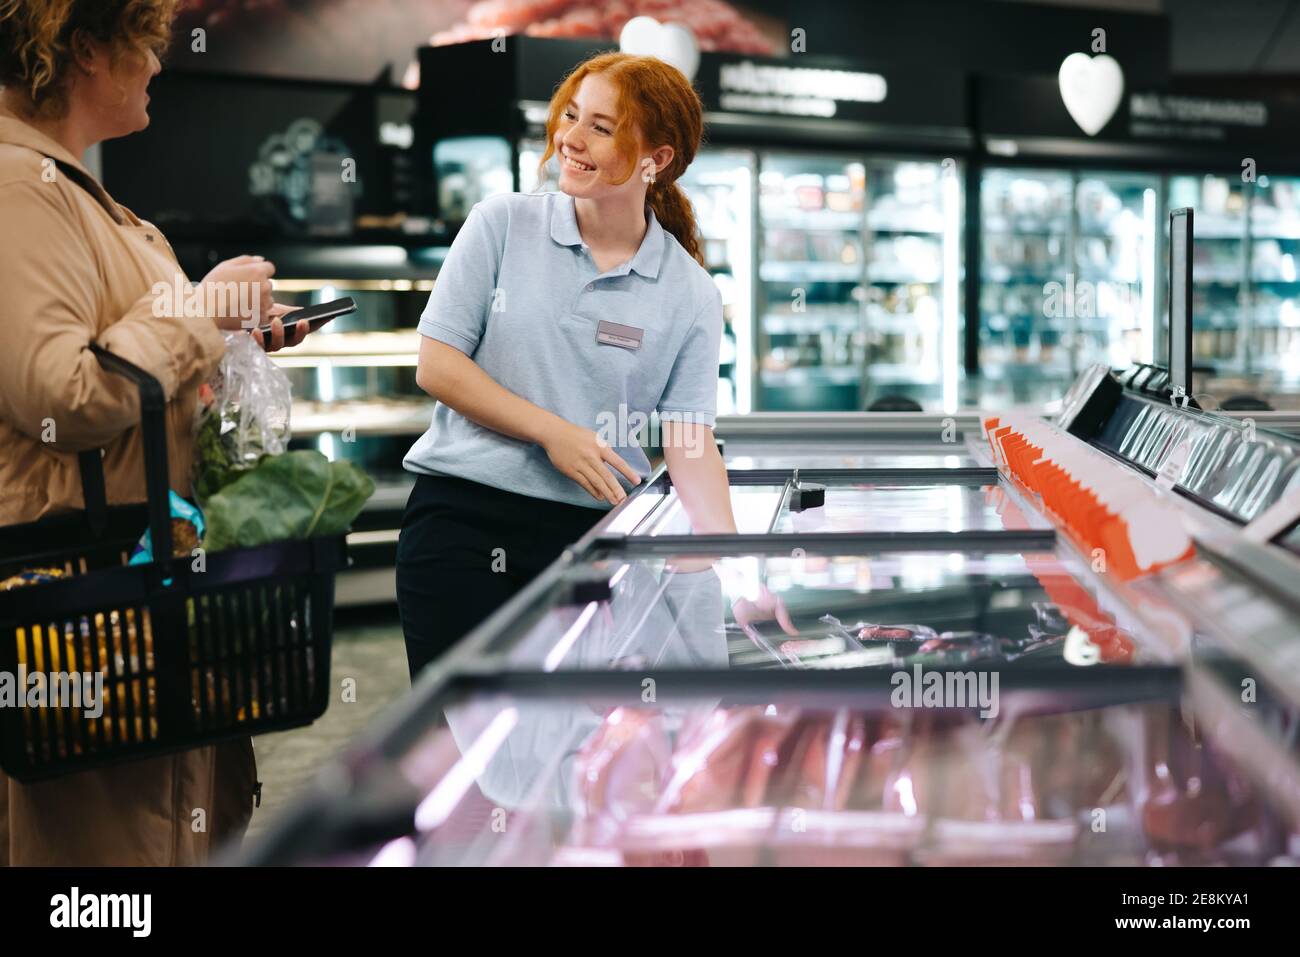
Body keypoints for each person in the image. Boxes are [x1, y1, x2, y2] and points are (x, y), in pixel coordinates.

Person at [0, 0, 306, 865]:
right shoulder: (18, 188)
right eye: (147, 43)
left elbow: (146, 363)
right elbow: (58, 391)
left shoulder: (84, 197)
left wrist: (232, 333)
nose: (161, 65)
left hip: (145, 600)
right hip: (80, 612)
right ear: (86, 49)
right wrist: (199, 306)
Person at [398, 52, 746, 678]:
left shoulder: (690, 293)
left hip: (595, 543)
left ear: (656, 160)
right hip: (461, 528)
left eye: (601, 127)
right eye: (570, 116)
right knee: (467, 758)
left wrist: (737, 566)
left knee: (575, 759)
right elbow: (437, 365)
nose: (570, 140)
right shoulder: (501, 225)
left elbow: (690, 442)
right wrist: (552, 432)